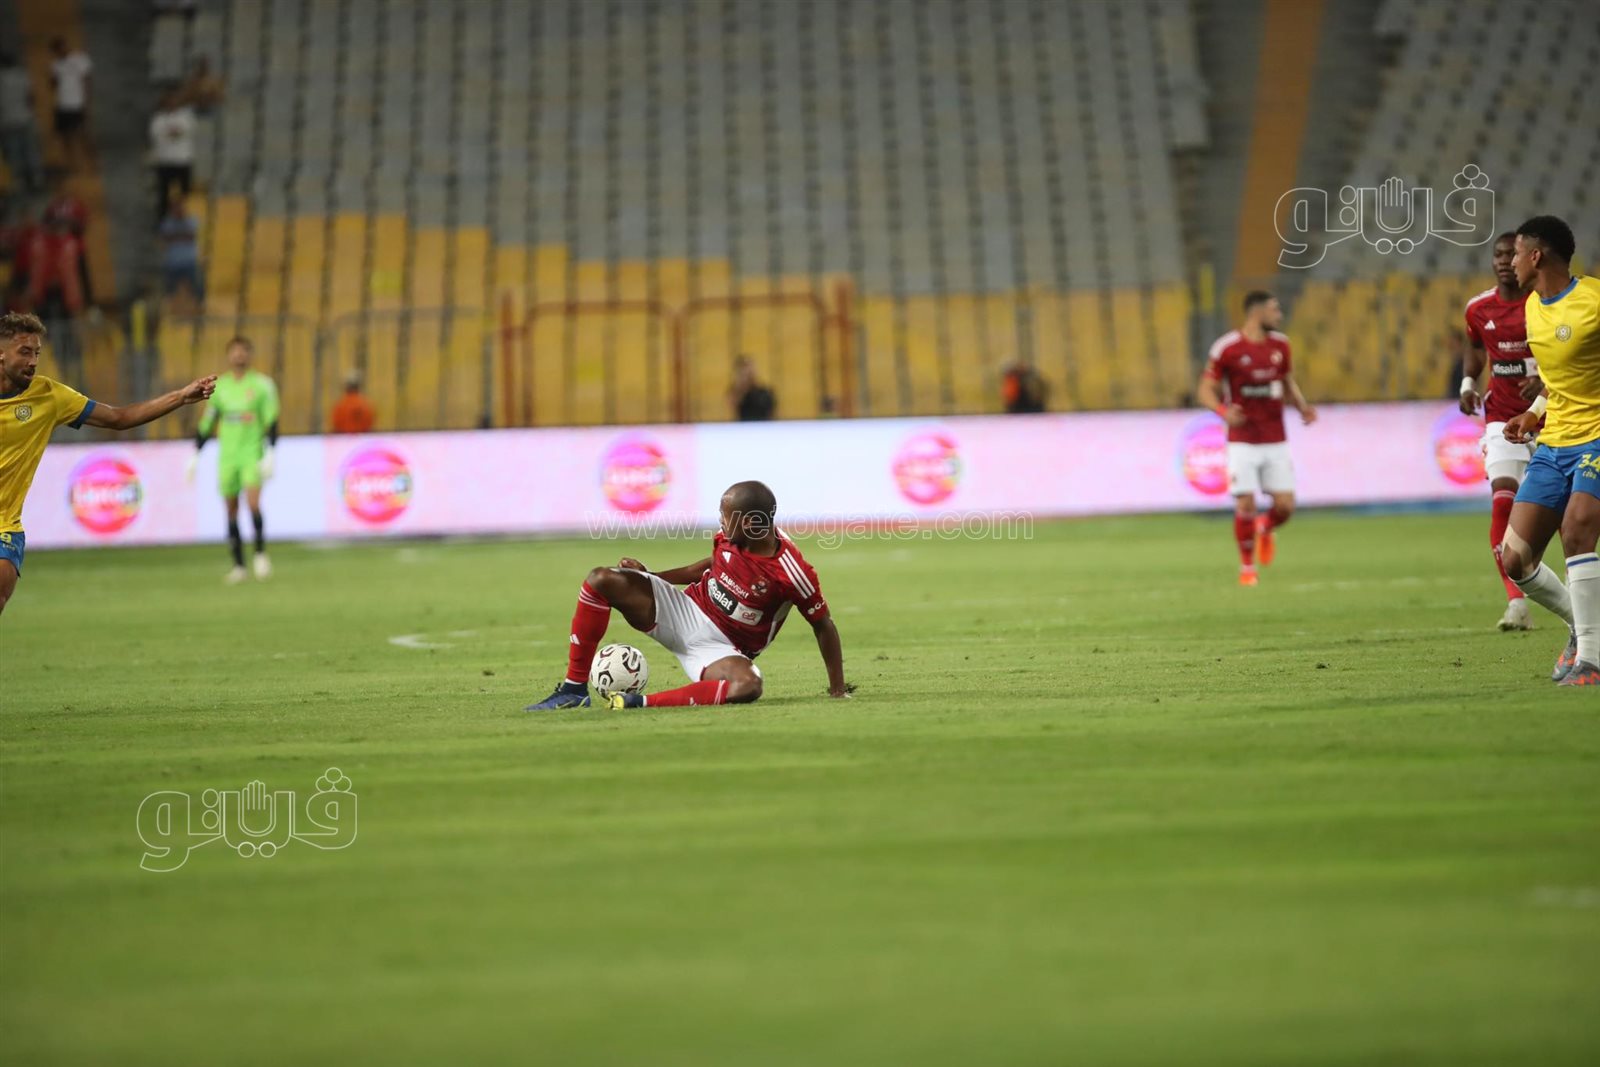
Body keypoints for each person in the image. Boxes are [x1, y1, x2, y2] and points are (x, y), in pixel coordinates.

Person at [525, 480, 851, 710]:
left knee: (748, 686)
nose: (720, 521)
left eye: (726, 516)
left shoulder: (791, 572)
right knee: (601, 579)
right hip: (683, 610)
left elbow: (823, 625)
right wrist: (652, 577)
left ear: (752, 523)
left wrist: (838, 690)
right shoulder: (729, 538)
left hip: (721, 649)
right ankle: (573, 690)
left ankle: (639, 703)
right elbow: (709, 567)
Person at [0, 311, 215, 616]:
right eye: (25, 352)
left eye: (37, 353)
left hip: (5, 525)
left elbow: (119, 418)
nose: (33, 361)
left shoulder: (49, 396)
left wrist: (180, 397)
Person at [1496, 215, 1600, 686]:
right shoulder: (1533, 308)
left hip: (1595, 438)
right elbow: (1558, 380)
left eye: (1517, 253)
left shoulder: (1592, 301)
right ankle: (1582, 627)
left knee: (1576, 531)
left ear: (1536, 256)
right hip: (1555, 441)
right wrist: (1534, 412)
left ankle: (1592, 662)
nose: (1510, 263)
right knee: (1515, 558)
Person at [1196, 290, 1317, 586]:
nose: (1279, 315)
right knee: (1246, 504)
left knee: (1285, 507)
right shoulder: (1228, 348)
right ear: (1256, 312)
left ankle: (1264, 526)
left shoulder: (1281, 345)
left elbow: (1286, 381)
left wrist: (1302, 406)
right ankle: (1247, 568)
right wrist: (1223, 412)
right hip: (1242, 440)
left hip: (1275, 438)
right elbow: (1205, 390)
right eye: (1274, 310)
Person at [1459, 233, 1542, 631]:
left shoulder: (1543, 305)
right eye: (1499, 254)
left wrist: (1543, 380)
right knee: (1501, 501)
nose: (1505, 260)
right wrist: (1467, 383)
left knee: (1570, 518)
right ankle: (1516, 602)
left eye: (1512, 254)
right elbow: (1476, 346)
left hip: (1553, 419)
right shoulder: (1478, 308)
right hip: (1501, 418)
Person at [188, 337, 279, 583]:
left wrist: (271, 452)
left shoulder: (262, 385)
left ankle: (260, 554)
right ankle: (239, 565)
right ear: (229, 355)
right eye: (235, 352)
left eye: (243, 352)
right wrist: (196, 453)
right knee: (230, 508)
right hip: (227, 456)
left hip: (252, 453)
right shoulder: (221, 387)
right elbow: (209, 421)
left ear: (249, 355)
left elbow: (271, 420)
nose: (239, 356)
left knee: (253, 503)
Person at [148, 89, 195, 224]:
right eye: (169, 100)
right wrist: (174, 133)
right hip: (165, 161)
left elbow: (184, 131)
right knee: (163, 193)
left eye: (174, 100)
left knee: (185, 192)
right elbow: (157, 135)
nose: (172, 103)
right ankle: (163, 221)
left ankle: (183, 218)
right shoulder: (158, 119)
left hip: (183, 160)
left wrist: (171, 133)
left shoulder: (186, 117)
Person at [47, 38, 92, 172]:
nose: (61, 50)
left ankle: (91, 162)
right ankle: (73, 164)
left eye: (62, 47)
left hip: (77, 103)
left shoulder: (79, 59)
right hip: (62, 104)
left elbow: (87, 80)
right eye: (57, 49)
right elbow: (53, 85)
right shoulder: (55, 65)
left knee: (83, 134)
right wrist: (52, 78)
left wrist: (87, 101)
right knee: (65, 136)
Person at [0, 53, 41, 193]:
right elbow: (31, 97)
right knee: (31, 150)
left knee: (14, 153)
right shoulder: (22, 75)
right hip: (26, 117)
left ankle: (19, 182)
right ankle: (36, 179)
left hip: (7, 120)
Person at [158, 196, 203, 305]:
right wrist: (180, 235)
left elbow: (190, 235)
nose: (178, 210)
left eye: (180, 207)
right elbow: (165, 238)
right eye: (175, 208)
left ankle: (200, 304)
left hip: (190, 261)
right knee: (168, 287)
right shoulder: (167, 222)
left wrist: (174, 236)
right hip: (173, 262)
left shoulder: (192, 220)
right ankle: (167, 304)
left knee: (197, 285)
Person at [728, 356, 775, 421]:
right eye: (744, 368)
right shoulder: (736, 391)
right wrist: (742, 384)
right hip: (744, 425)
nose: (748, 371)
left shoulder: (765, 392)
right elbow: (731, 407)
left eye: (750, 367)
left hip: (764, 425)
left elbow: (773, 414)